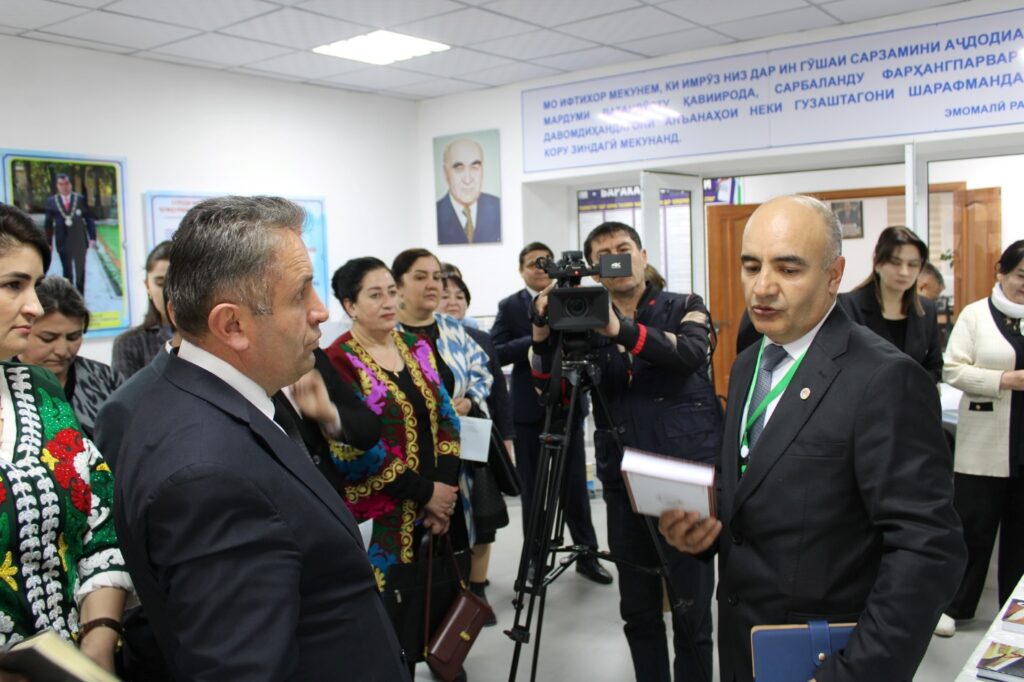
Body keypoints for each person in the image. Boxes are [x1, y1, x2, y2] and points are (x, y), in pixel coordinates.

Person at [658, 195, 966, 682]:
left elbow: (928, 550)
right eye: (751, 266)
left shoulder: (885, 379)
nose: (763, 287)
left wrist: (855, 672)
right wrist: (704, 534)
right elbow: (756, 485)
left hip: (826, 659)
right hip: (743, 648)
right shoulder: (748, 363)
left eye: (788, 269)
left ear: (834, 275)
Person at [114, 196, 407, 680]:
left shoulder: (206, 399)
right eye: (300, 295)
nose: (320, 311)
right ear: (232, 325)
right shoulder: (207, 476)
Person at [530, 223, 721, 681]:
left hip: (685, 476)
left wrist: (619, 330)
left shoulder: (685, 305)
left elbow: (691, 353)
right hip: (624, 483)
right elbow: (551, 395)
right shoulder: (581, 317)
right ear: (594, 269)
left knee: (692, 613)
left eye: (624, 249)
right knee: (637, 612)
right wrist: (541, 330)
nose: (617, 258)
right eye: (605, 254)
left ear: (642, 254)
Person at [0, 203, 129, 672]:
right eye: (14, 285)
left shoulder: (37, 392)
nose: (34, 307)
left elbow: (100, 524)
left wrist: (99, 639)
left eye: (34, 286)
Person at [325, 257, 461, 675]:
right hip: (381, 520)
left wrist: (444, 492)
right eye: (375, 295)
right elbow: (352, 449)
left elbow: (447, 419)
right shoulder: (337, 360)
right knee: (389, 626)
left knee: (439, 612)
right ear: (350, 305)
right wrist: (426, 493)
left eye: (391, 292)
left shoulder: (416, 346)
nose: (389, 302)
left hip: (437, 510)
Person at [490, 242, 612, 585]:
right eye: (533, 263)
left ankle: (587, 554)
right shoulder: (511, 306)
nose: (540, 268)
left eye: (546, 262)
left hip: (570, 404)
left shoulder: (575, 297)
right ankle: (534, 559)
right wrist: (536, 334)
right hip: (529, 410)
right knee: (534, 490)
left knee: (575, 487)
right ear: (521, 270)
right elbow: (495, 352)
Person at [392, 248, 497, 620]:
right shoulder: (388, 333)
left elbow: (482, 372)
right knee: (417, 546)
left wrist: (469, 399)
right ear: (398, 285)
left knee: (461, 537)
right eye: (420, 277)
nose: (432, 285)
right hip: (412, 458)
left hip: (461, 454)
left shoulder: (452, 328)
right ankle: (419, 626)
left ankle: (459, 618)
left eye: (436, 276)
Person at [938, 241, 1024, 637]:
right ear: (1000, 272)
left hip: (1021, 444)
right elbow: (952, 370)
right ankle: (955, 607)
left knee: (1020, 537)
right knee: (973, 529)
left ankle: (1015, 612)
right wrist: (1004, 380)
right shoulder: (975, 315)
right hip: (983, 444)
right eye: (1020, 276)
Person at [441, 272, 514, 622]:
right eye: (445, 295)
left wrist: (507, 437)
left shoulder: (480, 339)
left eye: (460, 296)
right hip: (441, 446)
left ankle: (478, 588)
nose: (453, 301)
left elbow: (498, 392)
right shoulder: (416, 340)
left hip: (478, 438)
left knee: (484, 519)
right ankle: (454, 591)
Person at [18, 277, 123, 439]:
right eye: (48, 338)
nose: (62, 350)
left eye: (73, 337)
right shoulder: (5, 383)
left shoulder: (105, 379)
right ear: (23, 330)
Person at [839, 226, 943, 382]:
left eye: (913, 264)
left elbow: (935, 367)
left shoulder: (927, 309)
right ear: (877, 263)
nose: (904, 272)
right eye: (895, 262)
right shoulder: (847, 306)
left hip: (912, 396)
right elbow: (840, 366)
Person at [112, 241, 173, 378]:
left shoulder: (209, 339)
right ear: (147, 286)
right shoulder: (129, 343)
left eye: (176, 282)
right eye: (160, 283)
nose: (168, 292)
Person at [436, 138, 501, 245]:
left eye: (475, 167)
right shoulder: (436, 214)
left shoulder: (498, 207)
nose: (467, 179)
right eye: (459, 168)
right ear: (445, 173)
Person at [43, 174, 95, 294]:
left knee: (80, 271)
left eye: (67, 183)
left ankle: (81, 298)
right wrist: (48, 243)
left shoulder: (80, 199)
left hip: (79, 241)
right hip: (63, 241)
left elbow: (89, 218)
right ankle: (70, 298)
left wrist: (92, 237)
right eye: (61, 184)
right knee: (67, 272)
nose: (64, 187)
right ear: (57, 186)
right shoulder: (52, 201)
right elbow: (48, 223)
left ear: (70, 184)